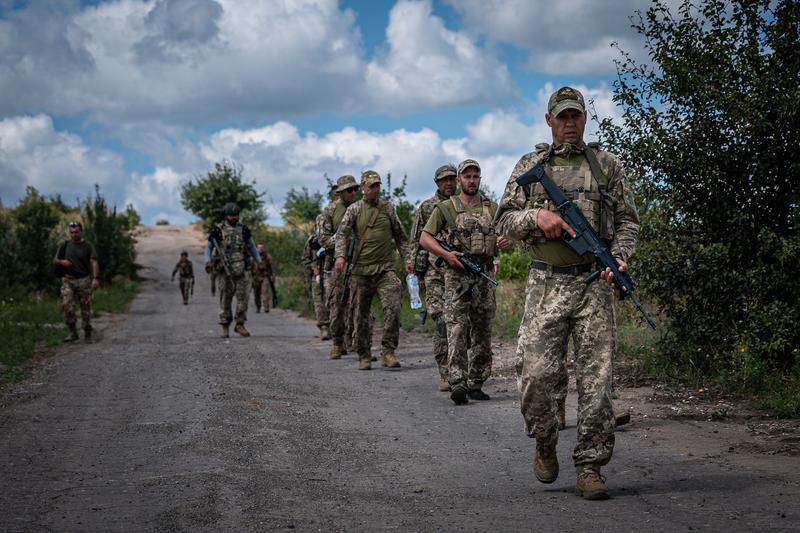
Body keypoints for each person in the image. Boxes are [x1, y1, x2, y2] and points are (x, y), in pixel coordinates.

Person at [495, 86, 640, 500]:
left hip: (594, 285)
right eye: (563, 117)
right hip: (546, 283)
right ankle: (544, 440)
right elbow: (503, 221)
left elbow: (629, 222)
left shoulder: (606, 166)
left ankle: (590, 466)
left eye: (576, 115)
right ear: (549, 121)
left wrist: (620, 258)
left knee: (598, 382)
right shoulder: (530, 164)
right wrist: (537, 216)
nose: (570, 123)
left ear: (585, 119)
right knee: (537, 376)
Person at [420, 159, 511, 404]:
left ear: (480, 179)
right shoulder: (446, 209)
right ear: (459, 180)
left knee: (482, 330)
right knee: (457, 328)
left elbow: (509, 234)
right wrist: (445, 254)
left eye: (475, 176)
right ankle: (457, 381)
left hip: (483, 275)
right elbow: (425, 238)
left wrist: (507, 241)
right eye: (467, 176)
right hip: (456, 275)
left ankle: (476, 382)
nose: (472, 180)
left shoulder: (492, 208)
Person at [333, 170, 412, 370]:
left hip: (385, 270)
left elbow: (401, 237)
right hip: (360, 272)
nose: (375, 189)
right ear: (363, 188)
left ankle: (388, 352)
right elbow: (342, 234)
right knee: (360, 315)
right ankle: (364, 353)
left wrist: (407, 259)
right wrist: (340, 256)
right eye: (371, 186)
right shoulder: (354, 209)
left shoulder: (388, 209)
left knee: (393, 308)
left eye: (377, 185)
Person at [409, 164, 458, 391]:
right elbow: (416, 240)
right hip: (433, 272)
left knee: (459, 322)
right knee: (440, 320)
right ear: (437, 183)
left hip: (458, 272)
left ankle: (460, 370)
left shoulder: (464, 204)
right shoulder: (427, 207)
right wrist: (416, 272)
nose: (448, 183)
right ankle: (445, 372)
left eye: (451, 179)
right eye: (444, 180)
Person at [204, 203, 261, 338]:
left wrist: (258, 261)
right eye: (231, 215)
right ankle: (225, 326)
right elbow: (208, 247)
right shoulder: (217, 231)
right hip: (225, 270)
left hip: (242, 269)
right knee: (225, 298)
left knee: (244, 298)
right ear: (226, 216)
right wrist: (207, 261)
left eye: (236, 215)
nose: (234, 218)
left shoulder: (244, 230)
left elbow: (252, 246)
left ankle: (240, 324)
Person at [319, 175, 359, 359]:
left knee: (359, 305)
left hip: (359, 263)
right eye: (349, 190)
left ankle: (357, 343)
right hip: (337, 265)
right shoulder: (329, 212)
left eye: (355, 189)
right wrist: (342, 237)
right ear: (339, 192)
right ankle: (337, 342)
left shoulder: (362, 208)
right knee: (337, 304)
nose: (353, 193)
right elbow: (323, 240)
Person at [52, 221, 100, 342]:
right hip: (68, 280)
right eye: (71, 232)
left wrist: (95, 278)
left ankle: (87, 334)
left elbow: (94, 262)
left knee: (85, 308)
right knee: (67, 305)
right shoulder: (64, 244)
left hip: (84, 280)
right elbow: (55, 260)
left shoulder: (88, 246)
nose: (74, 235)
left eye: (76, 232)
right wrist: (62, 262)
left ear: (81, 231)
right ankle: (73, 332)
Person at [302, 218, 331, 340]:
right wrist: (313, 267)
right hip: (317, 275)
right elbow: (305, 260)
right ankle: (324, 327)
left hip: (332, 274)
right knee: (319, 302)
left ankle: (337, 328)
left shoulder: (333, 239)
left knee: (333, 301)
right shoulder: (312, 241)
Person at [251, 243, 275, 313]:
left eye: (262, 248)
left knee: (265, 292)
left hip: (265, 276)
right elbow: (250, 268)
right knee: (256, 293)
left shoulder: (267, 257)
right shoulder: (253, 257)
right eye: (259, 248)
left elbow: (271, 267)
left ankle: (266, 307)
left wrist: (272, 276)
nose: (260, 249)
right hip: (256, 277)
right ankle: (258, 307)